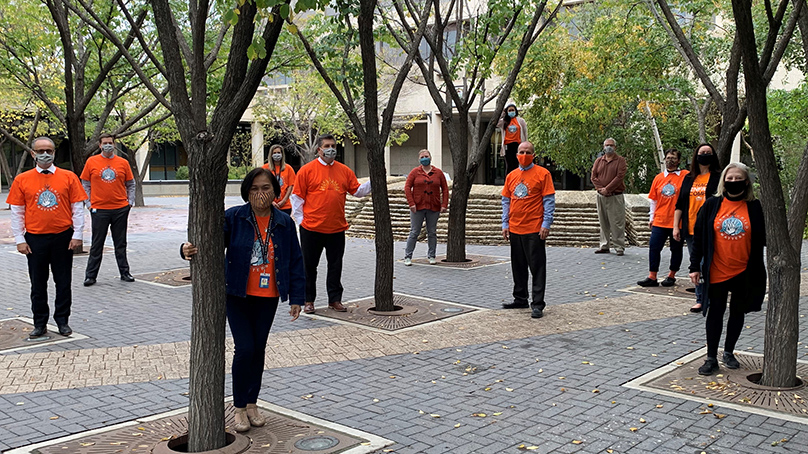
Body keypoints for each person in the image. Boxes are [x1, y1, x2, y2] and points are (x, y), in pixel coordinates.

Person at [180, 168, 305, 432]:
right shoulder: (234, 217)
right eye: (254, 189)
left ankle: (252, 403)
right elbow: (208, 243)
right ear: (247, 192)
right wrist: (185, 249)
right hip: (237, 293)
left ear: (275, 191)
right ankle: (238, 407)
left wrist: (297, 297)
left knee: (258, 350)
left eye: (266, 188)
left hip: (268, 295)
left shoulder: (284, 222)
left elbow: (295, 260)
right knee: (245, 349)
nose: (260, 194)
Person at [688, 162, 765, 376]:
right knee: (715, 313)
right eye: (729, 179)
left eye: (737, 178)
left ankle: (729, 352)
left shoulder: (754, 207)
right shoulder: (712, 205)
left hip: (744, 272)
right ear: (723, 181)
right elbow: (699, 238)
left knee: (737, 313)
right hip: (717, 270)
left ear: (746, 181)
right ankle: (711, 357)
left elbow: (763, 238)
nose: (733, 182)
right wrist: (695, 267)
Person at [8, 137, 86, 338]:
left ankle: (63, 321)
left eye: (49, 151)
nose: (45, 154)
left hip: (63, 237)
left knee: (63, 282)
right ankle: (40, 323)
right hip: (35, 239)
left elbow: (77, 208)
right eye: (41, 150)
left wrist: (77, 235)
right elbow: (17, 211)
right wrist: (19, 239)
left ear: (54, 153)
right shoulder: (22, 180)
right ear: (33, 154)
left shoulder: (69, 177)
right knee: (38, 283)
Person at [291, 134, 371, 314]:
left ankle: (334, 299)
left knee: (335, 265)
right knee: (309, 267)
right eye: (327, 145)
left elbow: (357, 191)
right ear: (319, 149)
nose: (331, 149)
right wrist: (301, 221)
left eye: (333, 146)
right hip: (311, 228)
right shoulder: (307, 170)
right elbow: (297, 197)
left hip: (336, 228)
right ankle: (309, 301)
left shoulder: (344, 170)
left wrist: (374, 180)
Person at [501, 142, 555, 319]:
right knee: (518, 266)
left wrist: (546, 224)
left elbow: (548, 200)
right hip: (515, 228)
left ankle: (538, 304)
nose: (524, 155)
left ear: (534, 155)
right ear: (516, 154)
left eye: (528, 152)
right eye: (521, 152)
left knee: (537, 267)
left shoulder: (543, 174)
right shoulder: (511, 176)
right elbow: (506, 202)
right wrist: (505, 224)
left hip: (534, 229)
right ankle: (520, 298)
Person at [81, 133, 136, 286]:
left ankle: (125, 272)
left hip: (120, 209)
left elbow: (131, 184)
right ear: (99, 145)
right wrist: (89, 204)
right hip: (99, 210)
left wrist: (129, 203)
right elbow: (85, 183)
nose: (108, 145)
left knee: (120, 243)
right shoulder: (91, 161)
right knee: (97, 244)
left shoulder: (123, 162)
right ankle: (90, 276)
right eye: (105, 142)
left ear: (114, 144)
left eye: (110, 142)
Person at [673, 143, 721, 312]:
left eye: (708, 152)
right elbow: (679, 204)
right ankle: (700, 299)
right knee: (697, 265)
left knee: (709, 264)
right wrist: (676, 227)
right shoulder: (688, 178)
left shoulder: (718, 177)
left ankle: (712, 297)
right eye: (702, 152)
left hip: (711, 229)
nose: (705, 155)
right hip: (691, 229)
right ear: (696, 156)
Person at [637, 149, 688, 287]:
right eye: (668, 157)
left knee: (676, 249)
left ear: (678, 161)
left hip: (678, 221)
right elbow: (653, 200)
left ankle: (672, 275)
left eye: (673, 158)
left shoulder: (685, 176)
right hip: (660, 219)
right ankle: (652, 276)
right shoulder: (659, 178)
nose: (670, 160)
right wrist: (651, 217)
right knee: (654, 247)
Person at [403, 149, 449, 265]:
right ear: (419, 159)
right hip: (417, 207)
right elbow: (407, 188)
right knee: (414, 232)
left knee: (432, 232)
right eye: (422, 157)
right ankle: (408, 256)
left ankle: (432, 255)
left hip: (433, 207)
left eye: (426, 156)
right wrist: (411, 203)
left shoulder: (438, 173)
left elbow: (445, 189)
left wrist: (444, 204)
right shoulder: (414, 172)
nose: (424, 158)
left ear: (430, 157)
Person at [590, 138, 627, 256]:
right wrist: (601, 189)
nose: (609, 147)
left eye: (611, 145)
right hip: (601, 196)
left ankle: (619, 247)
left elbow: (619, 177)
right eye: (607, 145)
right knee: (603, 221)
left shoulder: (620, 161)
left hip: (615, 196)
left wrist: (608, 189)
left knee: (617, 222)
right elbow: (593, 177)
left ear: (615, 147)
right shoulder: (598, 161)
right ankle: (604, 245)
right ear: (603, 147)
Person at [262, 144, 295, 216]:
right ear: (271, 154)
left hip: (285, 206)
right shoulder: (265, 168)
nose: (277, 155)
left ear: (282, 154)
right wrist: (271, 202)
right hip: (269, 205)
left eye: (278, 153)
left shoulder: (288, 168)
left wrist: (283, 201)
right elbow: (262, 186)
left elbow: (290, 186)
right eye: (274, 153)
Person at [497, 103, 528, 174]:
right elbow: (496, 122)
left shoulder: (521, 121)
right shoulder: (504, 121)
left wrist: (526, 143)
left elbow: (525, 132)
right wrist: (502, 114)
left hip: (518, 145)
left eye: (512, 110)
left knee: (517, 164)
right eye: (509, 110)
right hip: (508, 145)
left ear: (515, 111)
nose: (511, 112)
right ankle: (508, 182)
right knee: (509, 165)